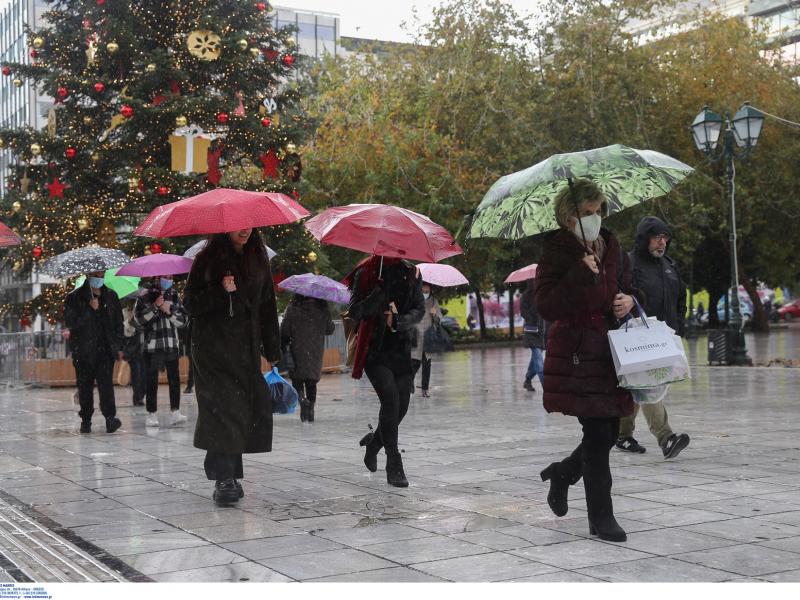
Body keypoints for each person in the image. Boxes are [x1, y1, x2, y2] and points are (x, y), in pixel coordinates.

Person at [534, 178, 640, 543]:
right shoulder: (557, 251)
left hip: (611, 352)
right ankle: (602, 517)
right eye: (586, 213)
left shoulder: (611, 245)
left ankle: (562, 474)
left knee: (610, 432)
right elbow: (545, 304)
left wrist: (628, 299)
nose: (594, 218)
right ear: (568, 216)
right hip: (578, 353)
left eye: (597, 211)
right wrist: (580, 273)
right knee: (597, 434)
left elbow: (628, 283)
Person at [184, 228, 280, 507]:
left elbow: (267, 307)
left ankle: (228, 475)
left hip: (244, 351)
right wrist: (219, 290)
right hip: (212, 351)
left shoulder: (258, 258)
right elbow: (190, 303)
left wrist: (272, 350)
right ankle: (224, 479)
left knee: (237, 412)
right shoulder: (207, 260)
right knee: (223, 410)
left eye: (250, 224)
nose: (245, 230)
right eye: (240, 224)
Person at [346, 256, 425, 488]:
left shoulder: (411, 272)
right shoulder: (366, 272)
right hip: (374, 349)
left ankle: (374, 443)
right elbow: (354, 311)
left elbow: (419, 310)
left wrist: (398, 321)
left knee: (401, 407)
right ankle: (394, 463)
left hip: (401, 349)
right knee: (390, 400)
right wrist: (377, 296)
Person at [616, 217, 690, 459]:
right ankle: (666, 438)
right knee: (649, 385)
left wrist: (679, 325)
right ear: (644, 238)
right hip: (638, 338)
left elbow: (681, 297)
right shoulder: (629, 263)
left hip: (664, 337)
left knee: (638, 388)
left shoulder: (669, 265)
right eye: (657, 237)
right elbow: (617, 296)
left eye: (665, 237)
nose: (662, 242)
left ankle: (622, 435)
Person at [64, 271, 124, 434]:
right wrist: (88, 309)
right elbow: (71, 322)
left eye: (102, 272)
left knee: (106, 386)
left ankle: (110, 418)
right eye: (97, 273)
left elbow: (118, 323)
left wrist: (118, 345)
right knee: (85, 386)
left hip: (104, 350)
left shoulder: (111, 296)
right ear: (88, 274)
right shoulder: (74, 297)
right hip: (83, 351)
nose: (100, 275)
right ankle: (86, 419)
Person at [134, 275, 189, 428]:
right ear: (158, 277)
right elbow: (139, 321)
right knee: (151, 380)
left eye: (171, 277)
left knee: (174, 379)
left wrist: (169, 311)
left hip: (171, 342)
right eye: (165, 277)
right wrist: (155, 307)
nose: (168, 279)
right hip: (152, 344)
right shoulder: (145, 295)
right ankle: (151, 414)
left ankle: (175, 411)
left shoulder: (174, 294)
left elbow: (183, 321)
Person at [279, 293, 335, 422]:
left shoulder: (293, 307)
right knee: (311, 382)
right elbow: (330, 329)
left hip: (297, 350)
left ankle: (302, 400)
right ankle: (311, 409)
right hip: (315, 351)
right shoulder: (322, 308)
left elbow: (285, 331)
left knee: (297, 380)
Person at [411, 283, 442, 398]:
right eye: (423, 291)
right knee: (414, 363)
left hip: (428, 336)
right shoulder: (415, 300)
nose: (425, 293)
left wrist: (435, 315)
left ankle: (425, 389)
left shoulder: (434, 302)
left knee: (427, 365)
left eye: (427, 291)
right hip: (416, 335)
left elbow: (438, 320)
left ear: (430, 291)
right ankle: (410, 385)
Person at [520, 281, 546, 392]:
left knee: (535, 361)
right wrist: (534, 309)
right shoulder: (525, 296)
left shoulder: (543, 294)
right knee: (539, 364)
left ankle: (527, 380)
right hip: (531, 332)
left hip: (542, 332)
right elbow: (523, 313)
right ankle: (548, 388)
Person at [122, 298, 146, 407]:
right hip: (133, 349)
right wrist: (129, 321)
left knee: (144, 375)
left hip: (144, 347)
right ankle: (138, 398)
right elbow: (125, 332)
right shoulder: (124, 312)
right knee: (137, 374)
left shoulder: (142, 312)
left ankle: (141, 395)